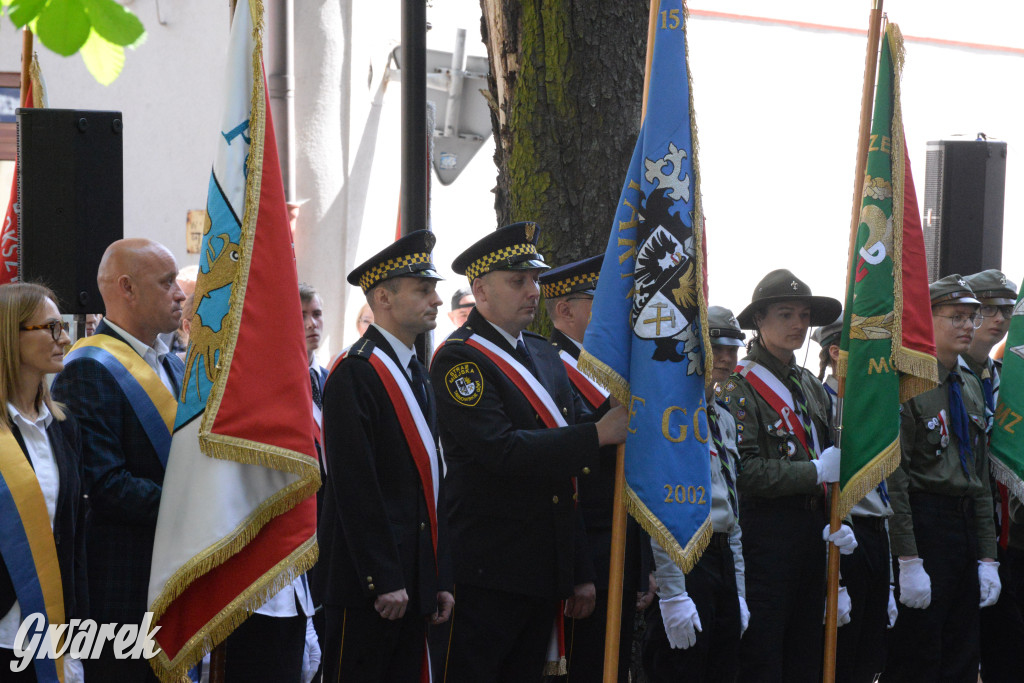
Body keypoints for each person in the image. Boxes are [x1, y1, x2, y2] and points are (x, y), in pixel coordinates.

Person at [430, 222, 628, 682]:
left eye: (535, 280)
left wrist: (579, 568)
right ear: (481, 290)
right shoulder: (460, 359)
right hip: (488, 568)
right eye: (518, 281)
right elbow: (501, 449)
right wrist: (596, 435)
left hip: (543, 568)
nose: (533, 291)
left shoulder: (542, 354)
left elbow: (565, 479)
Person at [317, 230, 454, 682]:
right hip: (368, 588)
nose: (436, 299)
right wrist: (383, 578)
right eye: (423, 289)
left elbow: (430, 482)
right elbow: (356, 487)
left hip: (411, 581)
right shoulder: (355, 372)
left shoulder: (414, 371)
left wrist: (437, 577)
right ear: (384, 297)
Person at [52, 238, 186, 682]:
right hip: (124, 588)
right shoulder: (87, 367)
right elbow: (106, 484)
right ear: (127, 288)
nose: (180, 295)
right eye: (167, 283)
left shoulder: (175, 365)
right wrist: (193, 509)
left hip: (175, 576)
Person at [720, 269, 857, 683]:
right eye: (785, 314)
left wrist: (840, 518)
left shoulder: (810, 384)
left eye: (804, 315)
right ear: (759, 320)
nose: (798, 324)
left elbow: (830, 457)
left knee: (805, 653)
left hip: (812, 529)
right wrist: (811, 472)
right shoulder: (737, 387)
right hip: (765, 533)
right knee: (763, 654)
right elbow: (742, 472)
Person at [882, 274, 999, 682]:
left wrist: (988, 557)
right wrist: (908, 559)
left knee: (962, 651)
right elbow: (896, 479)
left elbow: (979, 476)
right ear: (926, 319)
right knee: (919, 652)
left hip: (963, 527)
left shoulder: (970, 385)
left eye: (972, 317)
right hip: (925, 523)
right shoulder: (907, 382)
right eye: (956, 317)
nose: (968, 326)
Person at [540, 255, 641, 682]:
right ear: (565, 310)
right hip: (582, 551)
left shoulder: (611, 371)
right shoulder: (547, 368)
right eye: (603, 302)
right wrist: (577, 569)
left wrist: (644, 565)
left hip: (621, 547)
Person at [643, 305, 748, 682]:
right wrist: (672, 591)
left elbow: (731, 509)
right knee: (681, 669)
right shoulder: (668, 413)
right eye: (716, 348)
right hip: (686, 557)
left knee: (722, 670)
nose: (726, 358)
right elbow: (660, 505)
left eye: (733, 349)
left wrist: (739, 589)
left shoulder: (724, 419)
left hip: (722, 558)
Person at [0, 283, 86, 682]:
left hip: (55, 633)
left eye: (62, 326)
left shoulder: (63, 426)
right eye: (52, 327)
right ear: (10, 335)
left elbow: (73, 536)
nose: (64, 338)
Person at [812, 313, 894, 683]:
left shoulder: (872, 407)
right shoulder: (823, 405)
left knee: (867, 659)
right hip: (844, 534)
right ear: (836, 352)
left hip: (876, 533)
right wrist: (838, 582)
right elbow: (823, 490)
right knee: (840, 657)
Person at [962, 269, 1024, 683]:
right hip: (961, 530)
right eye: (987, 308)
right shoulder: (943, 376)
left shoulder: (1006, 380)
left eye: (1006, 309)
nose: (1000, 318)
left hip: (1007, 534)